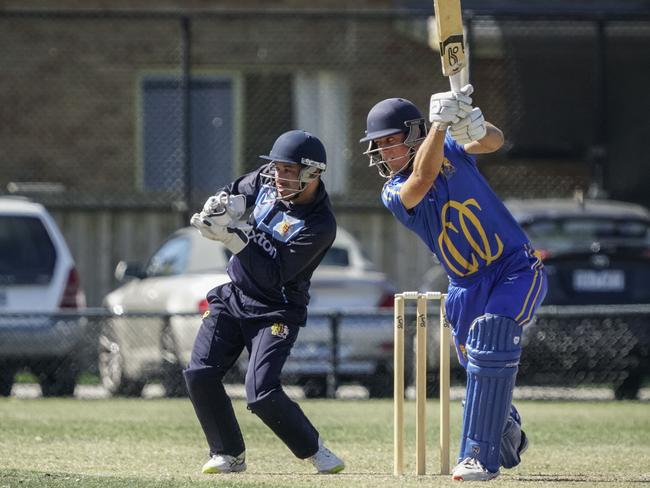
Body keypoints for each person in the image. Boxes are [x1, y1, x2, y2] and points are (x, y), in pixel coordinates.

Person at [360, 87, 547, 481]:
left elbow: (493, 142)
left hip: (514, 267)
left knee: (491, 337)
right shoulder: (393, 192)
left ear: (414, 134)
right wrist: (442, 126)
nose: (383, 152)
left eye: (390, 142)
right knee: (479, 367)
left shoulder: (453, 153)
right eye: (378, 145)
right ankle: (508, 433)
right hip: (465, 287)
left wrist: (473, 121)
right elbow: (422, 178)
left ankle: (478, 457)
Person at [184, 129, 345, 475]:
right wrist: (222, 204)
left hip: (276, 308)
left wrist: (232, 236)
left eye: (290, 171)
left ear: (313, 173)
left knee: (261, 393)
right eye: (277, 168)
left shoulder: (320, 225)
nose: (279, 177)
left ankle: (314, 450)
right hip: (234, 296)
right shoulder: (267, 180)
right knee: (199, 373)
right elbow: (235, 190)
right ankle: (228, 453)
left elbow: (273, 275)